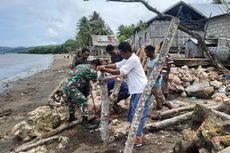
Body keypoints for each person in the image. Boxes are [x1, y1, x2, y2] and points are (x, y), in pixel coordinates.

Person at [98, 42, 149, 147]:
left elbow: (120, 71)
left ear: (127, 51)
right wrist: (105, 65)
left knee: (138, 114)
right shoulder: (128, 58)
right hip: (136, 89)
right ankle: (134, 133)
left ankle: (137, 138)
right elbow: (117, 64)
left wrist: (104, 69)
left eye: (121, 53)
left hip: (140, 89)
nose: (120, 55)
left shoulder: (133, 60)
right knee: (133, 112)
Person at [63, 59, 101, 129]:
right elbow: (95, 80)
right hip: (73, 87)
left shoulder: (80, 66)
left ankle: (71, 117)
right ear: (96, 66)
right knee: (83, 101)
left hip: (66, 85)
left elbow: (73, 73)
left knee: (71, 101)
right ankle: (85, 122)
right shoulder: (92, 71)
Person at [144, 45, 174, 110]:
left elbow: (159, 72)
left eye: (146, 52)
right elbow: (150, 71)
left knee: (162, 100)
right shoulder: (150, 60)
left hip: (155, 84)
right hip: (150, 83)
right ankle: (159, 111)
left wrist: (154, 79)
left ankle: (172, 109)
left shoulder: (157, 60)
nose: (146, 54)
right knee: (153, 99)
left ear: (151, 52)